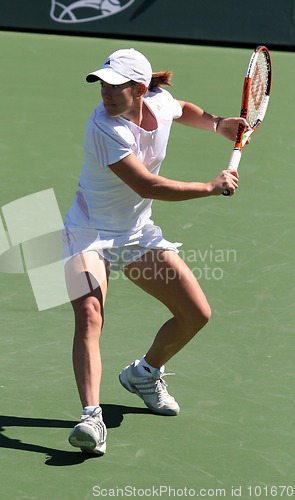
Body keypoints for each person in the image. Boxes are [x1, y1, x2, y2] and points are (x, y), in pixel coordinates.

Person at [63, 48, 246, 456]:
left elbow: (180, 108)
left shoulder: (158, 103)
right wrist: (211, 188)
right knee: (90, 315)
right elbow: (148, 187)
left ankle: (145, 373)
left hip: (135, 234)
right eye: (102, 85)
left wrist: (218, 124)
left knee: (196, 314)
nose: (105, 94)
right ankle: (92, 417)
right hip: (88, 234)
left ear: (140, 89)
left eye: (115, 86)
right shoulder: (104, 127)